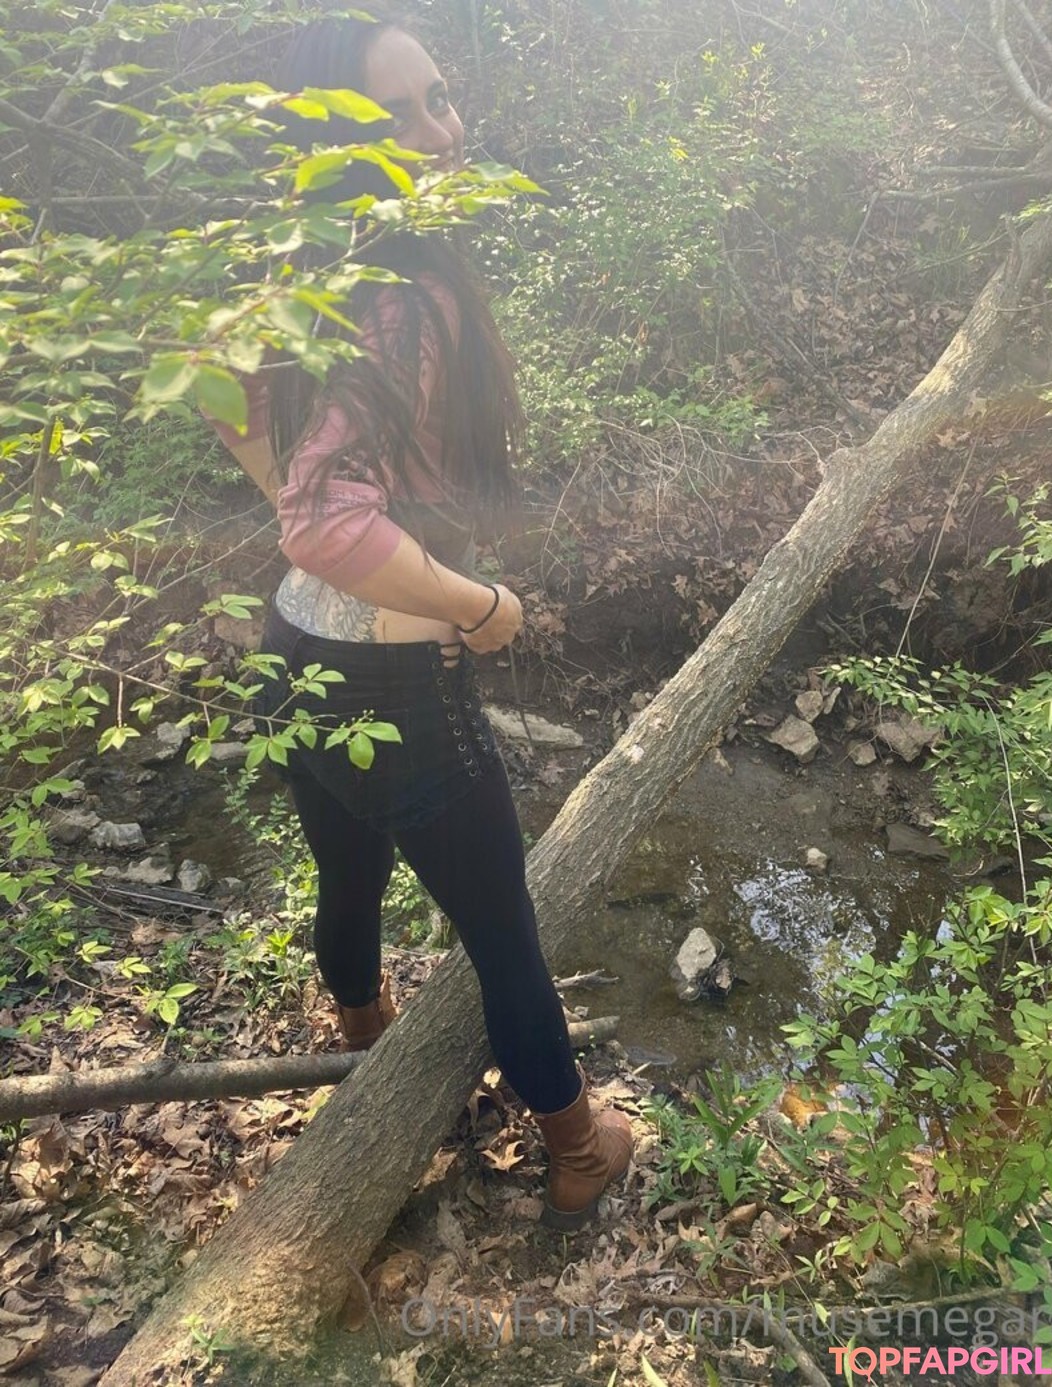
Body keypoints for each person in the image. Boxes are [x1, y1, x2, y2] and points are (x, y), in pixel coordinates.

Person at [212, 12, 632, 1232]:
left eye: (440, 98)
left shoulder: (303, 269)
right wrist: (477, 603)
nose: (442, 131)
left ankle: (364, 1035)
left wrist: (293, 495)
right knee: (503, 930)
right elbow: (326, 519)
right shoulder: (401, 298)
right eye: (399, 113)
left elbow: (229, 404)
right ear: (332, 142)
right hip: (399, 683)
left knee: (346, 875)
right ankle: (579, 1148)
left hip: (294, 655)